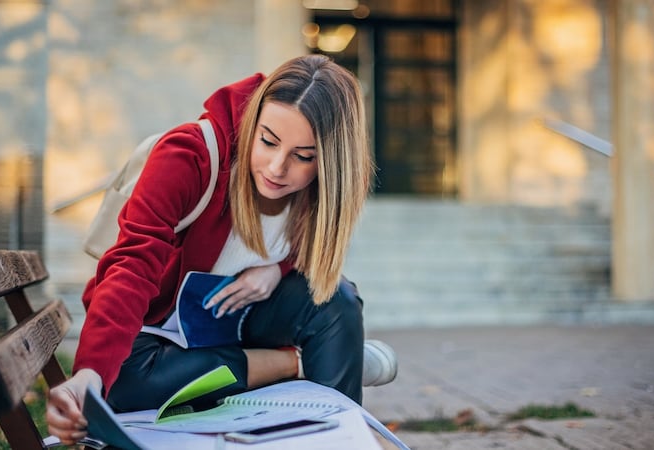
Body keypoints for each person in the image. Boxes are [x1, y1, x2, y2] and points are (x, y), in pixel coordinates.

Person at [46, 54, 397, 445]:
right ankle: (297, 363)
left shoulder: (324, 188)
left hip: (238, 323)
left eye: (303, 157)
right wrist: (90, 372)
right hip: (158, 334)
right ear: (254, 122)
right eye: (267, 141)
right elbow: (133, 264)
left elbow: (311, 243)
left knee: (337, 302)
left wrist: (277, 270)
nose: (277, 168)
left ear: (329, 162)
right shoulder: (189, 155)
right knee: (121, 388)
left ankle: (332, 433)